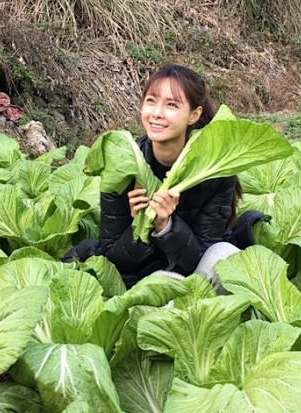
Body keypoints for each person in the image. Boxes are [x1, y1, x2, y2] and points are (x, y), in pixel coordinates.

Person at [67, 64, 266, 288]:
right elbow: (113, 260)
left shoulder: (216, 171)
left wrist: (166, 226)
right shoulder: (122, 161)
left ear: (194, 115)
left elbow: (201, 256)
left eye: (171, 105)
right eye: (151, 101)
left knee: (225, 255)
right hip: (137, 285)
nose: (157, 113)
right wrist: (139, 226)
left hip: (191, 282)